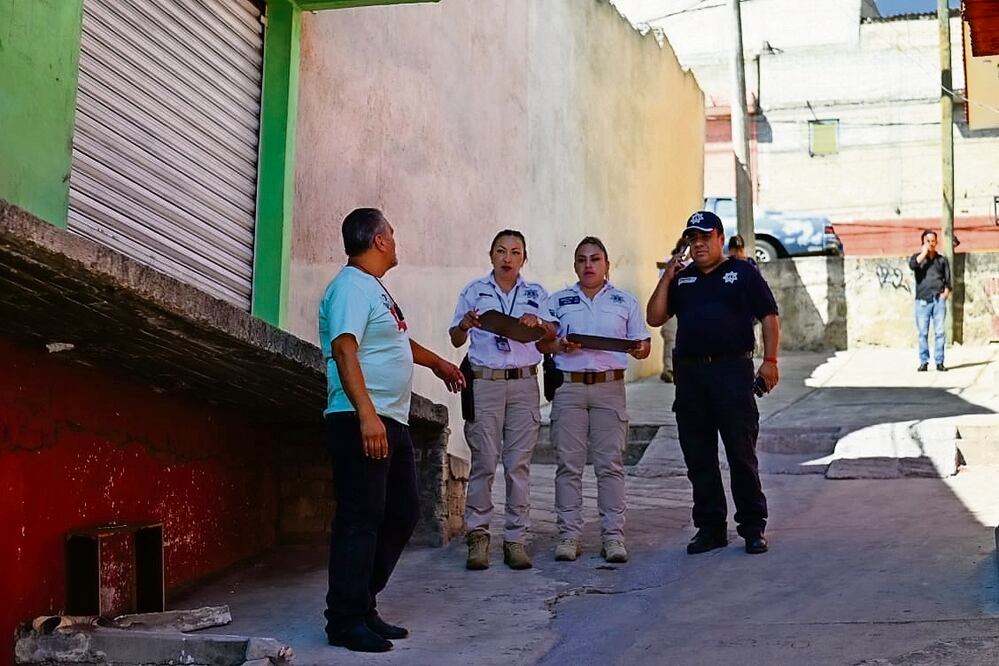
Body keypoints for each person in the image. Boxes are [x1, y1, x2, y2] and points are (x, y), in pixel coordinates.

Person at [319, 207, 465, 653]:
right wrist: (366, 415)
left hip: (391, 419)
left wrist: (436, 361)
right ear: (379, 240)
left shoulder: (374, 290)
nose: (396, 242)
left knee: (402, 513)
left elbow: (396, 340)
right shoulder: (348, 287)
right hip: (361, 418)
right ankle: (344, 620)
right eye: (393, 235)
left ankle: (362, 604)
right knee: (360, 519)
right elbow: (345, 350)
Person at [647, 211, 780, 556]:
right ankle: (710, 528)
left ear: (720, 238)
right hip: (691, 378)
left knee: (741, 453)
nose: (699, 244)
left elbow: (769, 315)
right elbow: (655, 316)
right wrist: (667, 276)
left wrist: (770, 361)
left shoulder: (743, 272)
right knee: (699, 456)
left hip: (732, 373)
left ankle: (752, 527)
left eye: (705, 237)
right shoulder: (683, 279)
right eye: (693, 238)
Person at [538, 237, 651, 564]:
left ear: (606, 265)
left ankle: (613, 537)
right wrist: (559, 346)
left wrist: (639, 349)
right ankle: (568, 536)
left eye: (595, 259)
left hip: (609, 388)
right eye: (582, 259)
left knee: (610, 464)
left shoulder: (624, 301)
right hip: (570, 389)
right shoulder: (557, 301)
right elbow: (542, 345)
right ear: (574, 265)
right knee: (568, 465)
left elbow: (643, 344)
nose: (588, 265)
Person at [449, 230, 555, 571]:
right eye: (500, 251)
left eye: (515, 252)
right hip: (487, 383)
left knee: (518, 465)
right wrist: (464, 325)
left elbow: (552, 334)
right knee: (484, 460)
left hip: (524, 384)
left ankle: (515, 539)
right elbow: (455, 339)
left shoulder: (537, 293)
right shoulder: (473, 291)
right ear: (491, 255)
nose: (507, 258)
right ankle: (478, 537)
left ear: (524, 258)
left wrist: (537, 323)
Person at [908, 230, 951, 372]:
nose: (931, 244)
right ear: (923, 243)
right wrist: (923, 253)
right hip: (922, 301)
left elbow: (948, 279)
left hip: (938, 300)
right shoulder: (918, 258)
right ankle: (924, 362)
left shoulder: (942, 260)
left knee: (939, 332)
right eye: (928, 241)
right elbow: (912, 265)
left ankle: (939, 362)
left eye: (933, 241)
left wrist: (946, 292)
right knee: (923, 333)